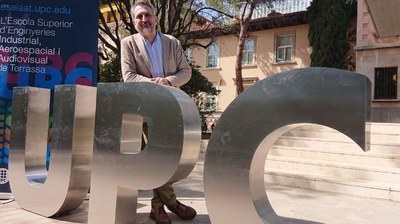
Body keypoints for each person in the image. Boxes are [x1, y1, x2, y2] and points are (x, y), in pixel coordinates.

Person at [120, 1, 196, 224]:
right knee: (157, 155)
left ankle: (157, 206)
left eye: (148, 15)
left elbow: (186, 71)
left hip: (172, 107)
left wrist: (168, 81)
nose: (145, 20)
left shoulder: (171, 42)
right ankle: (171, 202)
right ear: (134, 22)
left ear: (155, 17)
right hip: (144, 109)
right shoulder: (128, 43)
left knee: (170, 156)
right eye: (140, 17)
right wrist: (156, 85)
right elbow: (129, 76)